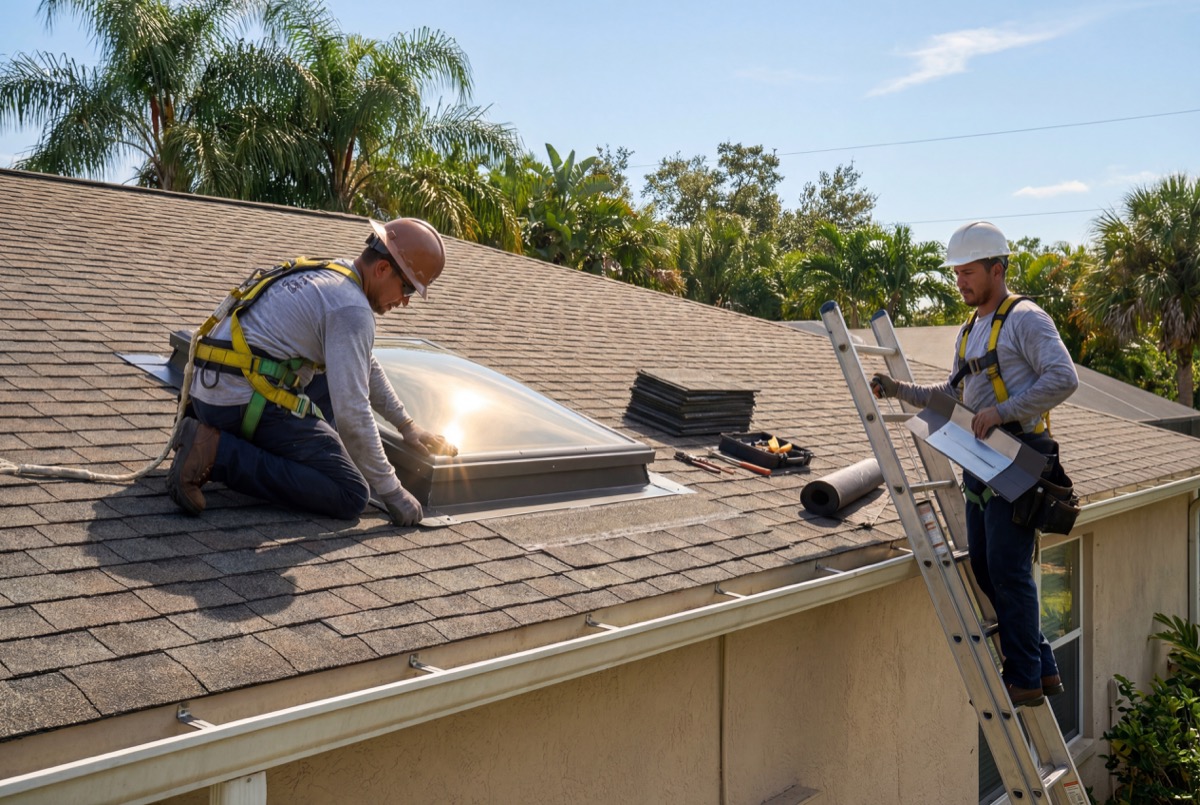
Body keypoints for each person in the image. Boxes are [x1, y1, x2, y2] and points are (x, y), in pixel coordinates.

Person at [870, 220, 1079, 706]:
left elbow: (1063, 378)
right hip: (982, 463)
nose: (960, 281)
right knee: (986, 568)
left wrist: (1002, 412)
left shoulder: (1026, 319)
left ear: (997, 269)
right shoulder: (970, 330)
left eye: (968, 272)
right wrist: (899, 390)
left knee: (1008, 568)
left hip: (1020, 458)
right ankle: (1042, 666)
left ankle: (1025, 677)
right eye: (956, 273)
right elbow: (951, 396)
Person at [166, 217, 457, 527]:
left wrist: (406, 425)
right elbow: (353, 414)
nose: (405, 302)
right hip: (237, 401)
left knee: (337, 381)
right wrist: (393, 491)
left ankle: (202, 429)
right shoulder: (351, 309)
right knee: (350, 492)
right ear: (383, 269)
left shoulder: (334, 274)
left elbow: (363, 364)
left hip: (211, 391)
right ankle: (216, 452)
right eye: (407, 287)